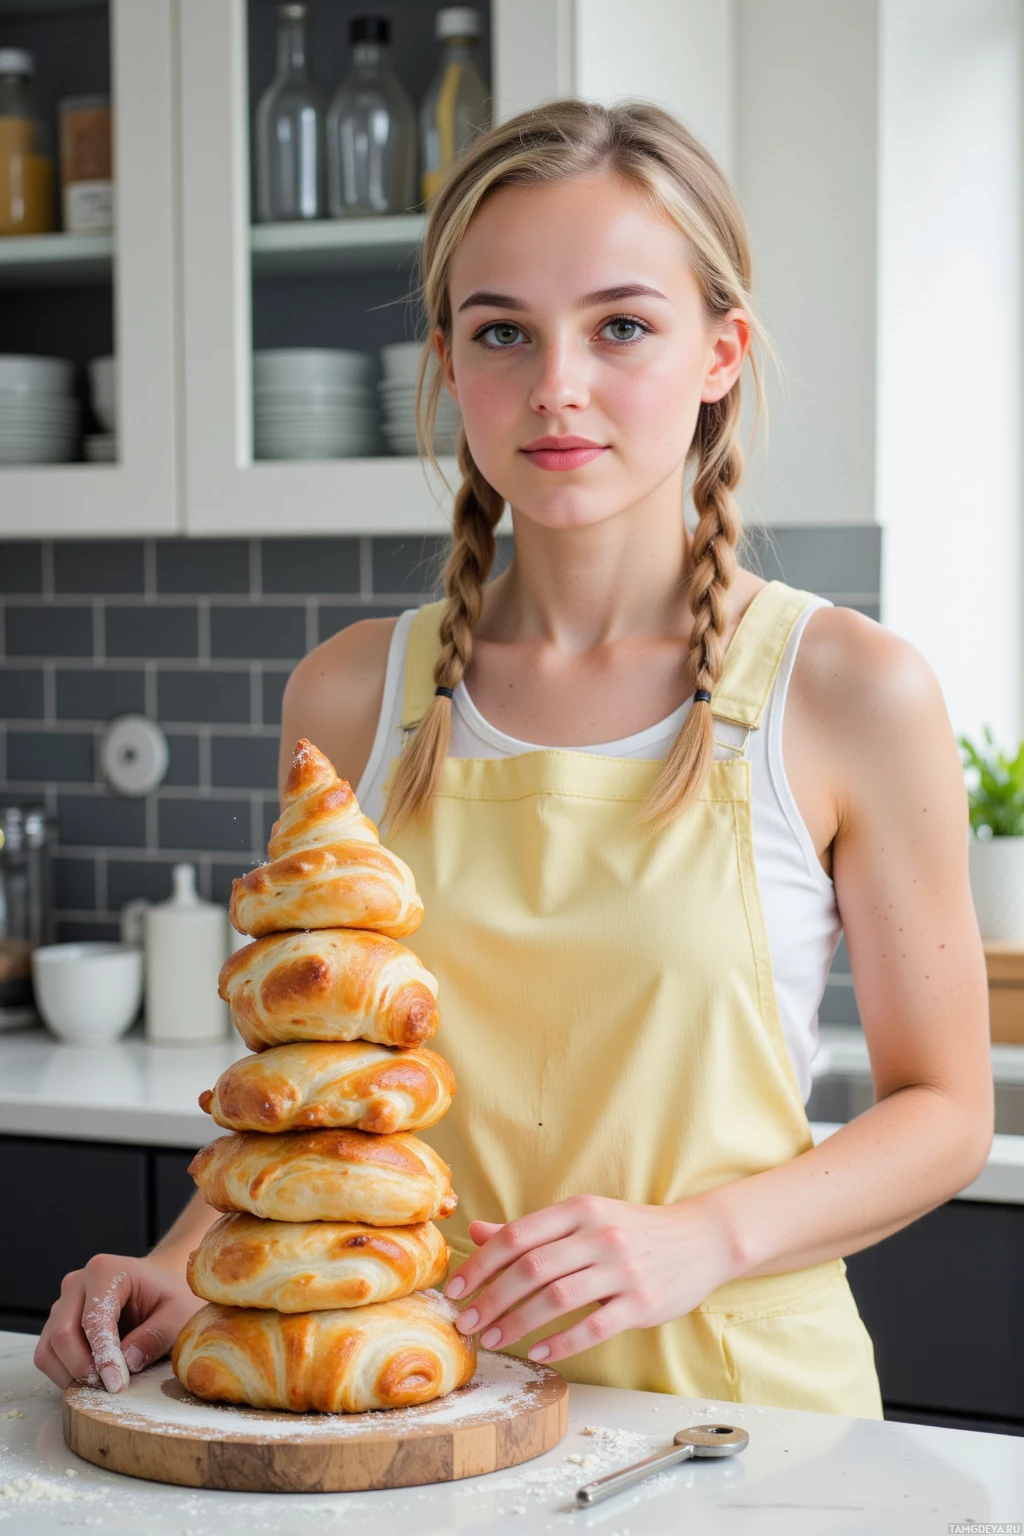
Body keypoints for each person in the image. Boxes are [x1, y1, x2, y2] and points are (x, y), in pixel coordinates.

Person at [36, 97, 992, 1414]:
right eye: (503, 332)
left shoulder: (842, 692)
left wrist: (696, 1240)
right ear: (447, 362)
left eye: (622, 327)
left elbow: (944, 1110)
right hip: (414, 1405)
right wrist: (185, 1261)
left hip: (739, 1419)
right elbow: (327, 1102)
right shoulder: (354, 696)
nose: (558, 384)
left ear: (721, 351)